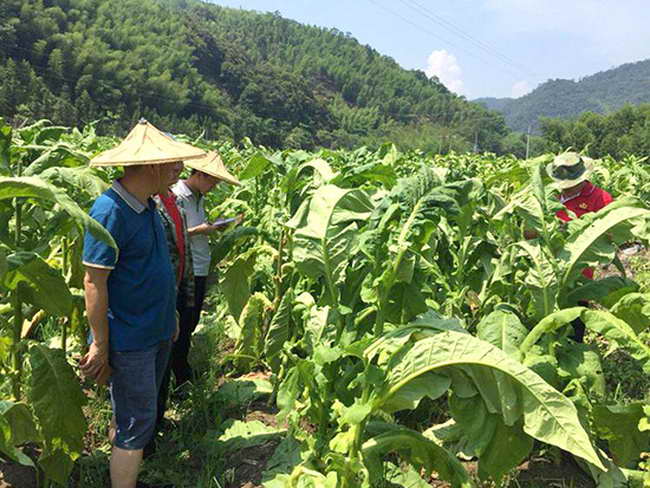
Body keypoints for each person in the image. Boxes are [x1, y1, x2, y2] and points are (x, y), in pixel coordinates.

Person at [81, 119, 205, 488]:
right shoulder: (110, 211)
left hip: (158, 330)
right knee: (137, 423)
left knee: (135, 417)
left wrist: (171, 318)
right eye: (173, 163)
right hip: (132, 338)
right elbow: (94, 282)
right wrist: (100, 344)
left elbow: (157, 267)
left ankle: (126, 473)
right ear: (152, 165)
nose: (179, 170)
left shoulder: (149, 205)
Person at [170, 151, 241, 386]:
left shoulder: (198, 197)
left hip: (200, 266)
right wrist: (203, 230)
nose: (214, 186)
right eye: (212, 181)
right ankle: (179, 376)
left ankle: (180, 369)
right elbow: (173, 234)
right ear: (199, 174)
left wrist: (213, 226)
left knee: (191, 321)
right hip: (187, 269)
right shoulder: (178, 195)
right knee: (183, 322)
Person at [148, 158, 194, 455]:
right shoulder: (149, 204)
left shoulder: (173, 201)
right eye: (173, 168)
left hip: (174, 289)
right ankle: (144, 439)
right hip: (154, 298)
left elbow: (181, 246)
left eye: (180, 168)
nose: (179, 173)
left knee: (162, 367)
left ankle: (157, 421)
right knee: (148, 372)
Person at [547, 151, 614, 341]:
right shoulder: (550, 196)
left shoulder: (600, 199)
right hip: (547, 273)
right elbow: (529, 233)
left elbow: (609, 236)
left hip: (577, 276)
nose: (565, 189)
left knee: (574, 332)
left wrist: (575, 229)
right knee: (547, 328)